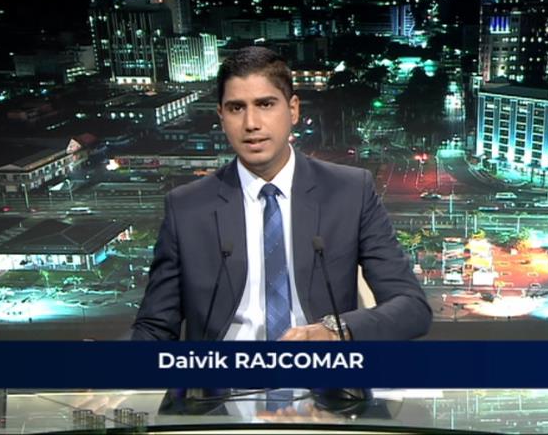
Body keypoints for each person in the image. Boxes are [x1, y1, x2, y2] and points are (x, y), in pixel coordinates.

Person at [131, 46, 432, 341]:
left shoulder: (350, 192)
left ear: (293, 109)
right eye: (236, 108)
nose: (251, 124)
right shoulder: (187, 207)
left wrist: (335, 332)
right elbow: (155, 327)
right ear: (221, 116)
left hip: (320, 372)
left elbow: (412, 308)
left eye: (265, 104)